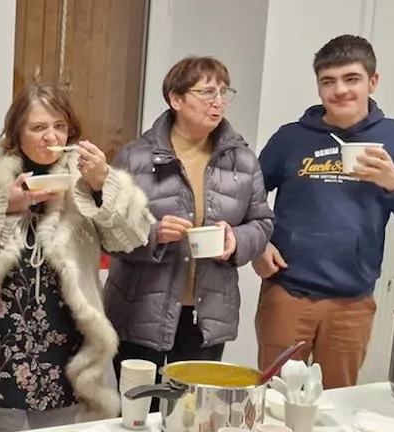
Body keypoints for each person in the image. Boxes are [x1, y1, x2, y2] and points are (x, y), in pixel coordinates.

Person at [0, 83, 153, 432]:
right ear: (15, 132)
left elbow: (133, 236)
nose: (50, 136)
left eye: (59, 126)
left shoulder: (85, 172)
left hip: (67, 336)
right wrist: (1, 205)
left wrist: (103, 183)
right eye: (38, 127)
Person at [254, 35, 394, 388]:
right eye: (328, 81)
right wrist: (258, 245)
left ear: (373, 81)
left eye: (351, 79)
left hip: (353, 301)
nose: (340, 90)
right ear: (319, 87)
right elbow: (247, 197)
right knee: (271, 399)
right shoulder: (290, 138)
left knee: (336, 406)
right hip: (287, 293)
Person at [105, 56, 273, 378]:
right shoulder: (135, 157)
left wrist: (236, 240)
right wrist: (153, 234)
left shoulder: (243, 160)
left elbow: (263, 222)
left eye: (224, 92)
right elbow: (109, 230)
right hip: (141, 311)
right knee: (139, 409)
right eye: (208, 92)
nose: (219, 102)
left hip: (207, 314)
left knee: (190, 411)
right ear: (176, 99)